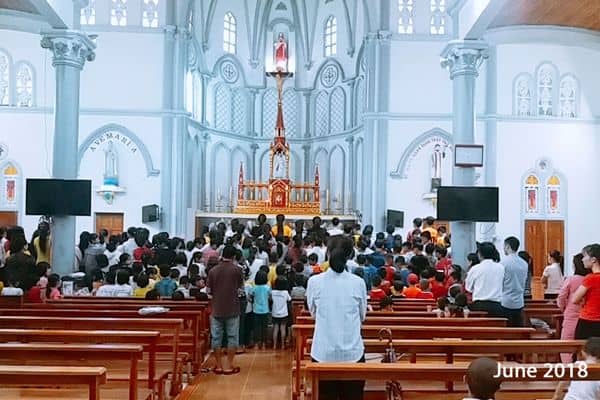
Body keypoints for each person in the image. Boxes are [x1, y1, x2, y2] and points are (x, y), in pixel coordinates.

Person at [306, 235, 367, 400]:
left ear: (327, 253)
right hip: (353, 353)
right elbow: (362, 316)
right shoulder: (358, 282)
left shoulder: (314, 282)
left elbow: (313, 313)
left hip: (323, 353)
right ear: (349, 255)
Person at [206, 245, 244, 375]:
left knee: (216, 337)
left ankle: (218, 365)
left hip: (216, 308)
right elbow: (240, 289)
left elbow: (208, 292)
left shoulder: (213, 271)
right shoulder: (237, 270)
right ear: (234, 256)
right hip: (233, 307)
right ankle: (229, 365)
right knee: (232, 337)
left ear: (222, 254)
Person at [557, 254, 588, 363]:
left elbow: (561, 296)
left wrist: (563, 308)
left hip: (571, 316)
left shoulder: (570, 279)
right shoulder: (590, 279)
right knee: (584, 346)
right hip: (587, 317)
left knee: (566, 345)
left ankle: (568, 371)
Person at [465, 242, 505, 318]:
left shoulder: (475, 269)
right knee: (497, 329)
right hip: (496, 306)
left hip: (478, 306)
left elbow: (468, 288)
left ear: (479, 254)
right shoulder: (501, 268)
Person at [572, 244, 600, 339]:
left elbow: (575, 299)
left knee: (582, 351)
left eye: (584, 256)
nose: (582, 259)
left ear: (593, 259)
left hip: (588, 320)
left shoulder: (590, 278)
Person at [501, 236, 529, 327]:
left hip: (505, 301)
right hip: (519, 301)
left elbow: (500, 282)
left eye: (504, 246)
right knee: (517, 328)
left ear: (508, 247)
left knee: (506, 330)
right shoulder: (524, 263)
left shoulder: (503, 263)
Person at [249, 270, 270, 349]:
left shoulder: (254, 288)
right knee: (264, 327)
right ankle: (264, 343)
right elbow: (270, 296)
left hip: (256, 310)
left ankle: (256, 344)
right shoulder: (267, 288)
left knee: (256, 327)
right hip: (265, 310)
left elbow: (250, 296)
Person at [271, 276, 291, 349]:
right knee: (282, 329)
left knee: (275, 328)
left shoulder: (273, 292)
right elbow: (289, 299)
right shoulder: (285, 293)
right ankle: (283, 345)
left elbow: (270, 299)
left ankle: (274, 345)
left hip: (275, 312)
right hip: (284, 313)